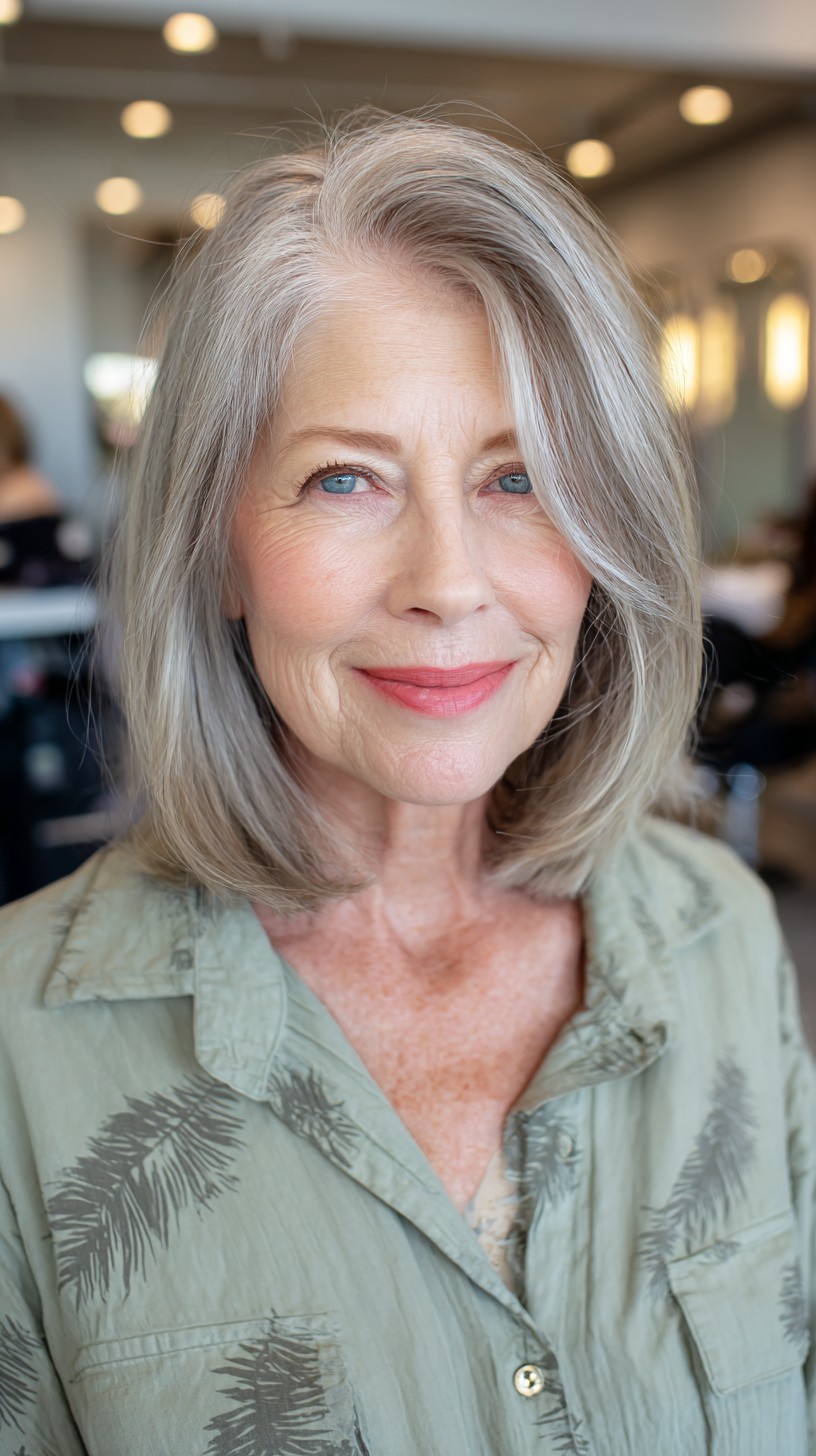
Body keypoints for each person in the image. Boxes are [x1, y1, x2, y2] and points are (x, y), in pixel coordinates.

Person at [0, 112, 813, 1456]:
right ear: (216, 544)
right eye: (345, 479)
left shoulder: (719, 931)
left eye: (521, 477)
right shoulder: (21, 1050)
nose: (447, 582)